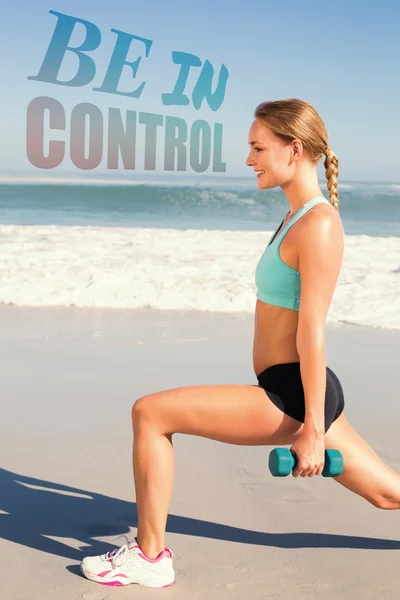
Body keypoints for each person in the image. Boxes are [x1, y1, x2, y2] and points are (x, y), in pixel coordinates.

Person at [80, 98, 400, 588]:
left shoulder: (318, 224)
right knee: (386, 495)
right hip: (293, 387)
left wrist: (312, 428)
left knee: (151, 412)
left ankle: (150, 558)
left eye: (257, 148)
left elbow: (312, 331)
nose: (249, 159)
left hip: (292, 394)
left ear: (294, 149)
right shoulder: (298, 217)